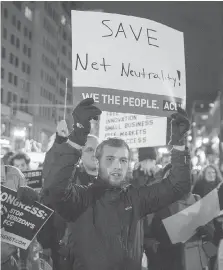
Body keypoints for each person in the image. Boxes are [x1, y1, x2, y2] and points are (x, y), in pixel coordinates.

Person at [18, 98, 191, 270]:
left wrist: (179, 145)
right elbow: (54, 189)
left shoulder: (136, 198)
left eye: (123, 160)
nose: (117, 165)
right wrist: (77, 136)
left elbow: (177, 186)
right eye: (110, 159)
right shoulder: (81, 198)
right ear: (97, 161)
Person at [37, 120, 99, 270]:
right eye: (90, 150)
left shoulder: (111, 182)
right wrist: (60, 140)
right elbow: (47, 210)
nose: (95, 154)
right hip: (67, 254)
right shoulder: (66, 179)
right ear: (80, 154)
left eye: (98, 150)